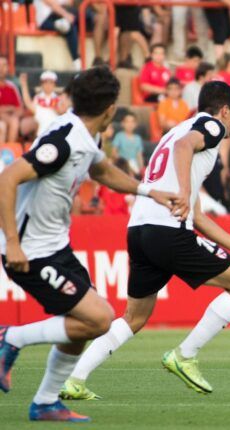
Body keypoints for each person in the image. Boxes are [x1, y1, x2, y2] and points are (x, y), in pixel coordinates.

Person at [59, 81, 230, 400]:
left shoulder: (176, 131)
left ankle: (75, 379)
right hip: (167, 230)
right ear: (224, 110)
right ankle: (184, 356)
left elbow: (197, 215)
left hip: (140, 230)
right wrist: (185, 191)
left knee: (135, 317)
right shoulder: (210, 126)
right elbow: (185, 150)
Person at [0, 67, 175, 422]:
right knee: (100, 318)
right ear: (111, 108)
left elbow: (102, 171)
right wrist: (14, 243)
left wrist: (147, 190)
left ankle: (47, 403)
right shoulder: (64, 141)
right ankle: (9, 336)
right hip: (29, 250)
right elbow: (9, 176)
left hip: (55, 247)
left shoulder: (85, 135)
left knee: (82, 323)